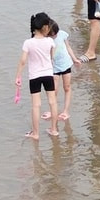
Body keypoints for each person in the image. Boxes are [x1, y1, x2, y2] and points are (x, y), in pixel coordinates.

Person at [15, 12, 58, 140]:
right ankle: (54, 130)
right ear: (45, 27)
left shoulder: (28, 43)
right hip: (48, 74)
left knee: (36, 105)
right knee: (52, 102)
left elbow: (23, 61)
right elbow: (52, 57)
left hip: (34, 76)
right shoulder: (50, 41)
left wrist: (18, 76)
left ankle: (35, 133)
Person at [49, 20, 81, 121]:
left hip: (66, 64)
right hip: (54, 66)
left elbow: (68, 47)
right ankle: (53, 110)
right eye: (52, 35)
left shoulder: (62, 34)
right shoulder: (47, 39)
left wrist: (74, 59)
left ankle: (66, 111)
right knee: (54, 90)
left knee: (67, 87)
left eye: (55, 33)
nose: (54, 36)